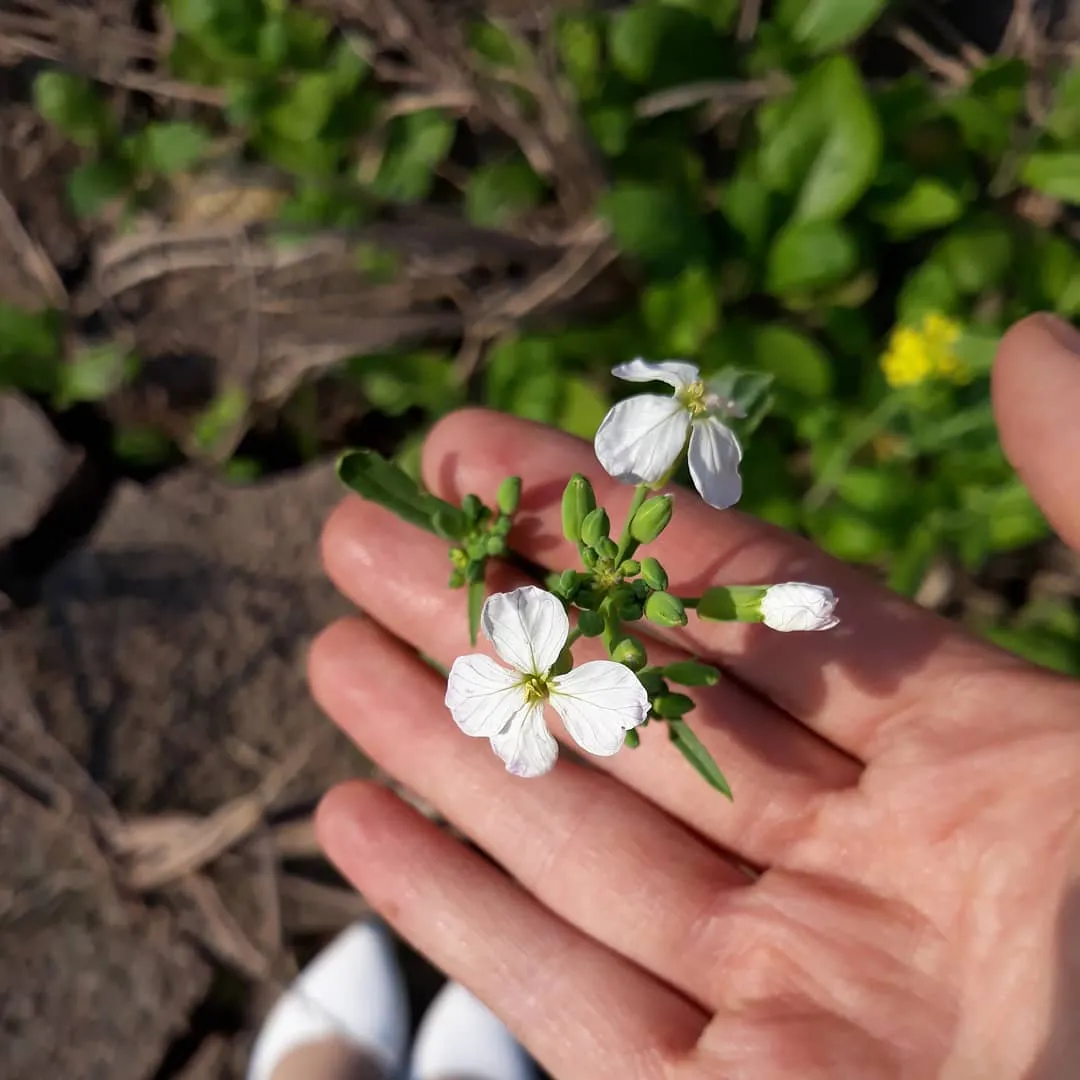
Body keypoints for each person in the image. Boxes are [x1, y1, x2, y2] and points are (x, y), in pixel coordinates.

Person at [296, 313, 1080, 1079]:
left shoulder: (572, 646)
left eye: (699, 403)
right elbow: (568, 631)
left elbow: (597, 633)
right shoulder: (548, 653)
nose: (703, 399)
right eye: (693, 399)